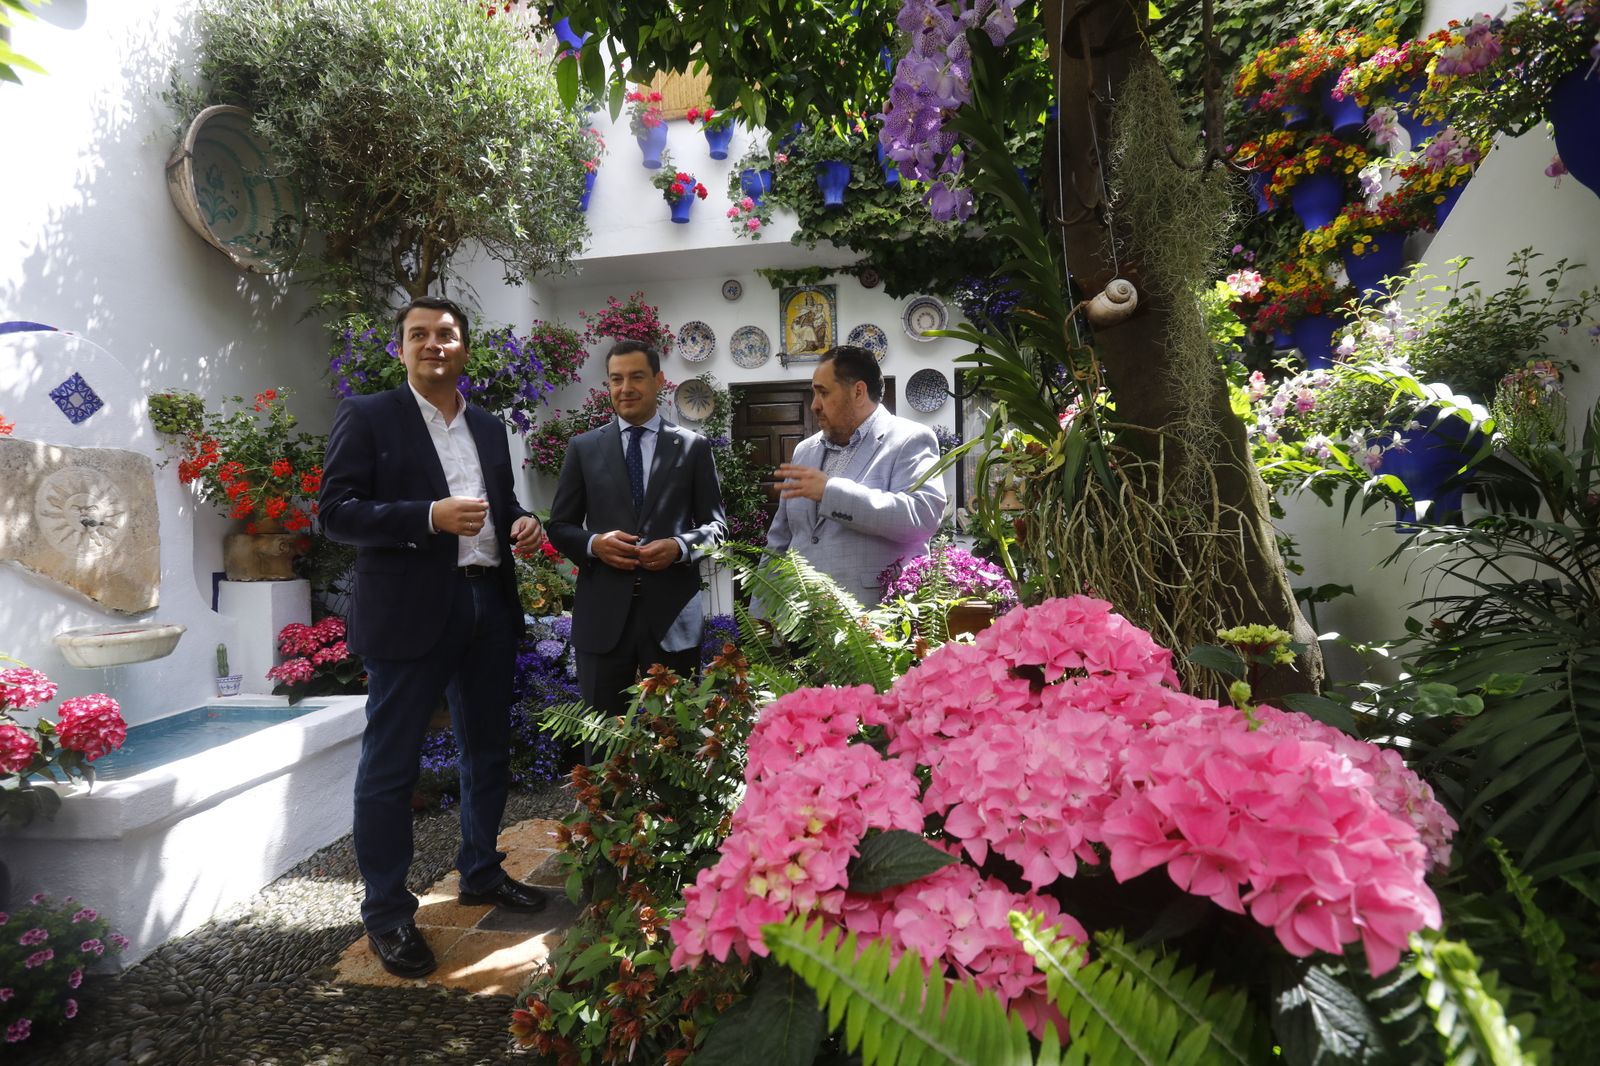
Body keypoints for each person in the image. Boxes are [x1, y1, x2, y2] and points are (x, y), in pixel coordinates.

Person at [321, 295, 550, 980]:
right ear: (401, 349)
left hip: (486, 603)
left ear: (464, 349)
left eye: (445, 335)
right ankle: (388, 913)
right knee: (390, 767)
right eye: (418, 335)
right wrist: (427, 515)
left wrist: (522, 522)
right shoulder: (368, 415)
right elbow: (335, 513)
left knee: (486, 749)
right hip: (409, 612)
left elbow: (499, 504)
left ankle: (480, 871)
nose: (433, 344)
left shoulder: (484, 424)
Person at [546, 339, 727, 719]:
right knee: (603, 739)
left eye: (636, 377)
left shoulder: (692, 448)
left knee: (678, 734)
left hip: (672, 616)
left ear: (659, 380)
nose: (625, 388)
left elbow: (716, 527)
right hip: (603, 615)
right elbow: (560, 526)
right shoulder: (583, 448)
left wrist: (679, 546)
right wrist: (595, 544)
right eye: (616, 379)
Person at [764, 344, 947, 603]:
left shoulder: (910, 439)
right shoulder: (804, 451)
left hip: (876, 623)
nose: (814, 405)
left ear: (858, 392)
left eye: (823, 393)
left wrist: (831, 493)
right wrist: (762, 616)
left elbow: (922, 517)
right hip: (801, 622)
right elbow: (780, 539)